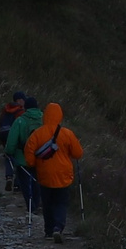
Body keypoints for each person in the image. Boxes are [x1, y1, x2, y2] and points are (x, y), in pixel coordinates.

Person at [21, 101, 85, 240]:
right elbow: (78, 153)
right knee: (61, 202)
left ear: (45, 115)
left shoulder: (37, 134)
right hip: (63, 175)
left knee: (47, 202)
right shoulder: (67, 133)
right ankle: (58, 227)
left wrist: (33, 164)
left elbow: (29, 153)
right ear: (59, 116)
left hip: (44, 175)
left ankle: (49, 230)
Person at [4, 95, 48, 215]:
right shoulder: (44, 120)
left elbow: (12, 141)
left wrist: (8, 152)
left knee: (25, 183)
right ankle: (38, 203)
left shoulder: (20, 120)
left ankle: (31, 207)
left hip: (23, 158)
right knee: (37, 181)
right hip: (41, 157)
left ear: (26, 108)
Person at [0, 92, 30, 198]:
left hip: (4, 134)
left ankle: (9, 176)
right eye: (23, 99)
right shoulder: (20, 111)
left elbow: (0, 125)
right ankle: (17, 186)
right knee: (19, 159)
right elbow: (22, 126)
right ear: (20, 100)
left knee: (8, 155)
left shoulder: (5, 109)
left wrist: (3, 142)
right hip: (15, 135)